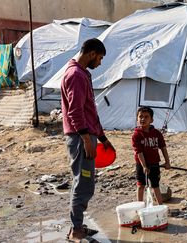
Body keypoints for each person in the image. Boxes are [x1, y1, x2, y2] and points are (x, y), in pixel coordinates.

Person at [61, 38, 115, 243]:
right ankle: (75, 231)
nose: (100, 63)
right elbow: (75, 112)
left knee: (83, 183)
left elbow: (89, 112)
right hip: (80, 138)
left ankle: (78, 226)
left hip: (87, 135)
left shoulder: (81, 73)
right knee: (83, 184)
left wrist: (102, 138)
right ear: (92, 53)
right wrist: (86, 139)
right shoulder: (75, 74)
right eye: (100, 58)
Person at [132, 107, 171, 205]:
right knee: (141, 186)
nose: (143, 119)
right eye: (140, 117)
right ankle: (139, 206)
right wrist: (144, 166)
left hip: (154, 163)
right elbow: (139, 152)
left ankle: (160, 206)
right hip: (141, 164)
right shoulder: (136, 135)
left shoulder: (157, 133)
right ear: (137, 119)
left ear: (151, 120)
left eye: (146, 117)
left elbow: (163, 148)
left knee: (155, 185)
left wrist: (167, 162)